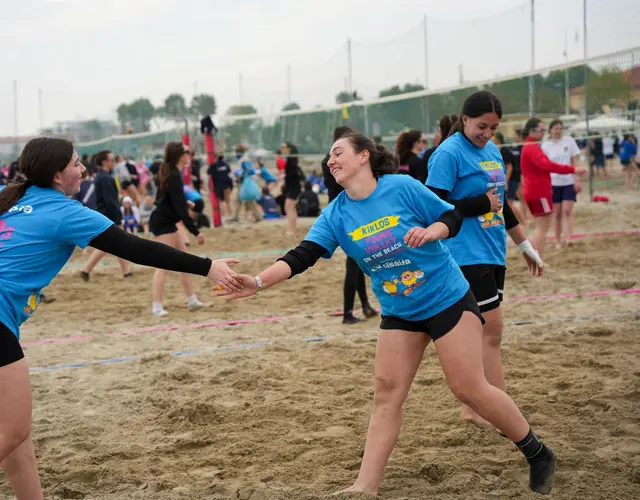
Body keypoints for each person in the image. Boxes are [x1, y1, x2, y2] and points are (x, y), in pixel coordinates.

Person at [218, 132, 556, 496]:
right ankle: (365, 486)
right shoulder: (335, 215)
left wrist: (433, 232)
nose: (331, 161)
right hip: (400, 311)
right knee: (386, 394)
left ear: (364, 156)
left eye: (338, 153)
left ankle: (538, 453)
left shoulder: (400, 187)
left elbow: (451, 216)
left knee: (468, 388)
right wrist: (257, 281)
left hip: (447, 297)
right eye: (329, 157)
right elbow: (301, 256)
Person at [0, 137, 242, 500]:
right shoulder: (65, 212)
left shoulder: (11, 198)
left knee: (16, 435)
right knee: (14, 430)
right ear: (56, 175)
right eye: (77, 164)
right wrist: (207, 267)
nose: (84, 170)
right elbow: (138, 249)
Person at [426, 91, 545, 429]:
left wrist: (524, 246)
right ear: (464, 119)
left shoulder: (491, 151)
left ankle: (476, 408)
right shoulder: (448, 154)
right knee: (491, 332)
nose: (488, 133)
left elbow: (501, 204)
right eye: (482, 126)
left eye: (493, 127)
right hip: (464, 254)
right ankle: (498, 410)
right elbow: (433, 208)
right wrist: (481, 204)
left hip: (492, 251)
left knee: (484, 334)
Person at [321, 126, 378, 324]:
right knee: (353, 264)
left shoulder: (332, 162)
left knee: (357, 261)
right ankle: (347, 313)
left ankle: (365, 306)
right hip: (346, 216)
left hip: (348, 214)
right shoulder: (333, 164)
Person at [149, 141, 210, 317]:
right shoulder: (173, 174)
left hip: (167, 221)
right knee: (163, 265)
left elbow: (170, 199)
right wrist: (196, 231)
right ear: (181, 156)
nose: (189, 156)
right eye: (187, 153)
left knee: (184, 262)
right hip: (163, 223)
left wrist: (186, 202)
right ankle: (157, 307)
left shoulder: (171, 172)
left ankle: (192, 300)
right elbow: (180, 210)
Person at [520, 117, 587, 259]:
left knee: (542, 225)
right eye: (541, 129)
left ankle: (533, 257)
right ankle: (537, 261)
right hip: (538, 191)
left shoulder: (532, 145)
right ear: (532, 131)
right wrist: (572, 169)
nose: (544, 132)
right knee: (542, 227)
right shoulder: (532, 147)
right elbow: (548, 166)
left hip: (537, 189)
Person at [80, 150, 133, 281]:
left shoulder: (101, 176)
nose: (114, 161)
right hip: (109, 216)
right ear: (104, 162)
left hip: (106, 214)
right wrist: (118, 218)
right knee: (110, 245)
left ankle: (126, 271)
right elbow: (111, 202)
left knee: (115, 244)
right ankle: (86, 270)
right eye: (111, 159)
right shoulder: (105, 178)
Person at [541, 120, 582, 249]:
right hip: (553, 183)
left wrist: (577, 179)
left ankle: (569, 238)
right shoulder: (545, 145)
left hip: (568, 181)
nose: (558, 131)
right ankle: (558, 240)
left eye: (560, 128)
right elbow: (544, 166)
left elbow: (575, 161)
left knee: (567, 210)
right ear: (550, 130)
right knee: (557, 213)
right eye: (556, 128)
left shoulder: (569, 141)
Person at [494, 131, 527, 225]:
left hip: (512, 179)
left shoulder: (504, 150)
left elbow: (509, 167)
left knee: (510, 204)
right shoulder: (498, 150)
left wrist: (505, 181)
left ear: (497, 140)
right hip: (509, 179)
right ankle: (524, 221)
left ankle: (524, 222)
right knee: (514, 201)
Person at [281, 141, 302, 236]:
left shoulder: (291, 159)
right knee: (289, 207)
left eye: (284, 147)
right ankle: (292, 227)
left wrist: (283, 176)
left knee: (289, 207)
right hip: (291, 186)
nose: (282, 149)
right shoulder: (290, 159)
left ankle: (291, 229)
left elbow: (294, 173)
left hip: (293, 186)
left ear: (289, 149)